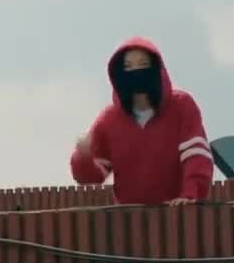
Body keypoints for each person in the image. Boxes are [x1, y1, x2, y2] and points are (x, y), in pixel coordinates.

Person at [69, 36, 214, 205]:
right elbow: (92, 177)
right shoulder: (108, 120)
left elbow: (197, 156)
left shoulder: (182, 106)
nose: (136, 71)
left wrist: (190, 195)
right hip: (129, 217)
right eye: (128, 67)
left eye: (143, 64)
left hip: (177, 214)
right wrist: (83, 157)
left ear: (157, 69)